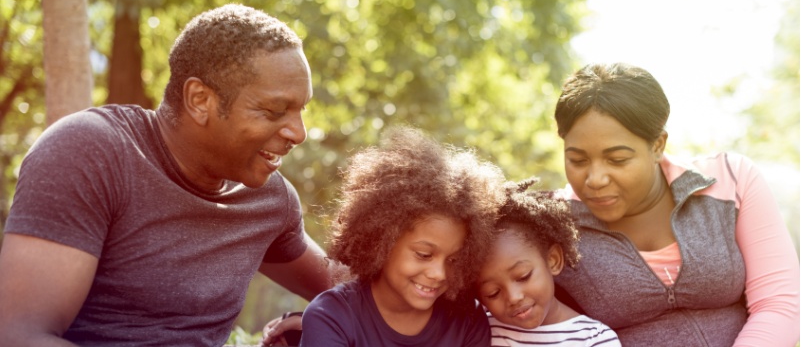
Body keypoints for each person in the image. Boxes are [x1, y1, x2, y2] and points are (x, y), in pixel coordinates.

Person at [0, 4, 342, 346]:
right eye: (274, 111)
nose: (299, 133)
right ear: (199, 99)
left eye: (302, 109)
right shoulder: (91, 154)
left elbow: (358, 294)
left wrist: (323, 319)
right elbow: (18, 336)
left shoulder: (268, 199)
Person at [551, 62, 799, 346]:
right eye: (578, 160)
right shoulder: (554, 224)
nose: (594, 179)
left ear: (657, 145)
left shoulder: (731, 181)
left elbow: (779, 305)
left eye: (617, 159)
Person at [297, 127, 505, 346]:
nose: (439, 274)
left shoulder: (467, 319)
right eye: (424, 255)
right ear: (382, 241)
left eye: (453, 260)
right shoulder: (332, 316)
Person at [477, 178, 620, 347]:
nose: (514, 298)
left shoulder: (593, 338)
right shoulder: (481, 329)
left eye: (523, 277)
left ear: (553, 260)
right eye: (493, 293)